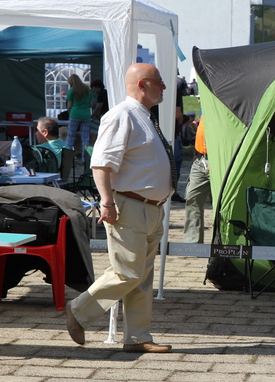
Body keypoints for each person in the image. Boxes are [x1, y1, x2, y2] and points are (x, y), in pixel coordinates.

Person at [65, 63, 176, 353]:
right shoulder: (121, 115)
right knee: (127, 273)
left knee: (141, 277)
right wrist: (107, 202)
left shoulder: (143, 116)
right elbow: (101, 164)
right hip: (129, 206)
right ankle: (79, 310)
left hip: (150, 208)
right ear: (142, 84)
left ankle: (137, 337)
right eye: (159, 81)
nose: (164, 86)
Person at [183, 116, 211, 243]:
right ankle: (192, 244)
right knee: (192, 197)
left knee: (223, 203)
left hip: (221, 158)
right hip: (201, 159)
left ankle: (224, 246)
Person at [65, 74, 93, 161]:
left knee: (70, 138)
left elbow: (69, 106)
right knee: (85, 138)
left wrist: (70, 113)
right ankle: (86, 159)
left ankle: (68, 159)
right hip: (86, 115)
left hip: (74, 114)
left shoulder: (71, 90)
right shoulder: (88, 90)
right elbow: (91, 104)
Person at [90, 78, 110, 145]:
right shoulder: (106, 92)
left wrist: (92, 116)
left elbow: (98, 107)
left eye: (93, 88)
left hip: (105, 115)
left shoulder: (101, 94)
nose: (93, 90)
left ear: (98, 86)